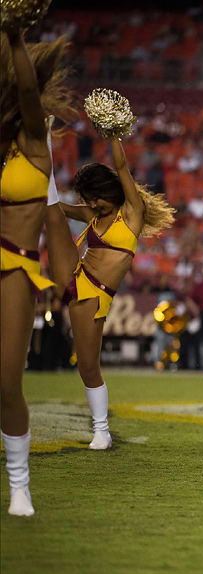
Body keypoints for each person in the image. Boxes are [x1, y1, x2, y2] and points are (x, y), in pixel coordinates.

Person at [44, 130, 175, 450]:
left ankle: (101, 430)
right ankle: (42, 144)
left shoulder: (131, 214)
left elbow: (121, 167)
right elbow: (62, 207)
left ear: (106, 190)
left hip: (93, 295)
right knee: (49, 210)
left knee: (87, 366)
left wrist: (114, 134)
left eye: (93, 197)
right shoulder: (93, 213)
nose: (90, 204)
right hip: (74, 275)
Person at [1, 31, 72, 516]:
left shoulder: (34, 141)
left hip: (15, 268)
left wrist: (15, 36)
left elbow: (28, 93)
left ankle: (19, 485)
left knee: (7, 384)